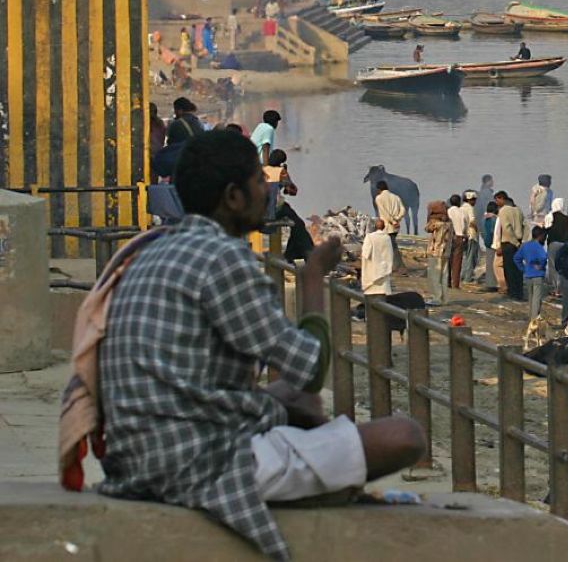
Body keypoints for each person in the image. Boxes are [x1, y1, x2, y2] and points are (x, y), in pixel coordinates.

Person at [92, 130, 423, 561]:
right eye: (257, 181)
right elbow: (309, 368)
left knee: (290, 401)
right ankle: (316, 490)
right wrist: (312, 279)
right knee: (404, 435)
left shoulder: (151, 252)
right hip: (196, 463)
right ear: (234, 196)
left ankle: (315, 474)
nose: (267, 192)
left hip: (137, 457)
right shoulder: (224, 258)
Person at [261, 150, 314, 262]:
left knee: (295, 222)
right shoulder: (281, 172)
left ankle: (291, 254)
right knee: (298, 224)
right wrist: (286, 175)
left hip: (259, 211)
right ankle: (306, 254)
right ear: (281, 162)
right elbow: (292, 191)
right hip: (273, 211)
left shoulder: (260, 171)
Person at [494, 191, 526, 300]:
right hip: (519, 241)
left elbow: (507, 229)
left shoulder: (503, 211)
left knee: (509, 269)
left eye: (497, 200)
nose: (497, 203)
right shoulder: (518, 210)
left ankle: (513, 293)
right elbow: (524, 226)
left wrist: (515, 242)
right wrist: (521, 242)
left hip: (509, 243)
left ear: (502, 199)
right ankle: (519, 292)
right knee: (518, 268)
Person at [514, 226, 550, 320]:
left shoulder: (525, 245)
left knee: (531, 298)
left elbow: (516, 258)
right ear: (540, 236)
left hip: (528, 275)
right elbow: (543, 257)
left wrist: (523, 268)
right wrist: (541, 265)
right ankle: (534, 319)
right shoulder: (538, 246)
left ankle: (531, 317)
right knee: (537, 299)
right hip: (538, 275)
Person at [373, 180, 406, 271]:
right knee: (390, 246)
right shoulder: (396, 197)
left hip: (386, 227)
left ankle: (400, 268)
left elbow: (384, 212)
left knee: (390, 247)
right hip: (395, 227)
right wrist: (397, 218)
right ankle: (392, 266)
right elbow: (403, 210)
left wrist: (393, 221)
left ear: (379, 189)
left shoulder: (379, 198)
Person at [424, 200, 452, 305]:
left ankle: (436, 298)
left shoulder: (436, 223)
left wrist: (429, 216)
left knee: (434, 276)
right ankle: (444, 298)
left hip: (435, 252)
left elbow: (427, 228)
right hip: (445, 252)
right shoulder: (449, 223)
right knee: (444, 276)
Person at [360, 219, 395, 297]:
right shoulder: (387, 238)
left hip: (372, 269)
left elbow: (365, 254)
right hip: (384, 269)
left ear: (374, 226)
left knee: (372, 291)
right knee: (382, 290)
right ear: (384, 227)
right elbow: (390, 253)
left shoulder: (370, 237)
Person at [547, 197, 568, 295]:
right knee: (562, 266)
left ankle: (555, 288)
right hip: (564, 245)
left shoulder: (550, 216)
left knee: (553, 266)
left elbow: (546, 230)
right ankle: (561, 288)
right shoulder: (566, 218)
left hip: (553, 244)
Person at [446, 193, 467, 291]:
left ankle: (447, 281)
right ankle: (456, 283)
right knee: (457, 262)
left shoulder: (448, 211)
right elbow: (465, 225)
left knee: (448, 260)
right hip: (460, 237)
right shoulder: (462, 212)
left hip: (451, 236)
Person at [460, 190, 480, 287]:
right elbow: (472, 222)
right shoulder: (470, 208)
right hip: (471, 235)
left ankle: (462, 276)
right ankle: (467, 278)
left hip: (464, 235)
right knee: (471, 257)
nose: (474, 201)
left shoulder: (461, 208)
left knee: (465, 256)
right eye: (473, 200)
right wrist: (478, 230)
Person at [482, 200, 501, 291]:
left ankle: (489, 283)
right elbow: (495, 232)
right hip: (494, 243)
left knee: (489, 264)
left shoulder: (485, 218)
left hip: (487, 243)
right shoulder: (495, 219)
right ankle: (494, 284)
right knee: (494, 265)